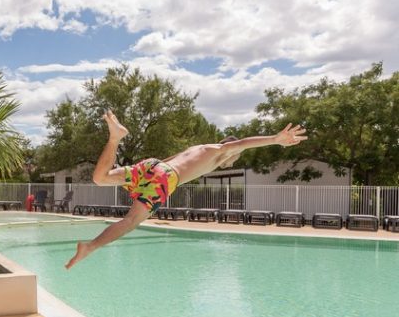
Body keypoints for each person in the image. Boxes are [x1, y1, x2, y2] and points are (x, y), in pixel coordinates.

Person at [65, 110, 307, 269]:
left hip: (155, 165)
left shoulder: (198, 148)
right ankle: (90, 246)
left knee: (100, 178)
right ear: (231, 150)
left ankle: (115, 139)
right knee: (130, 222)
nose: (232, 162)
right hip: (166, 177)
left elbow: (164, 163)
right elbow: (242, 143)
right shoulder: (216, 151)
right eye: (234, 157)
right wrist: (276, 139)